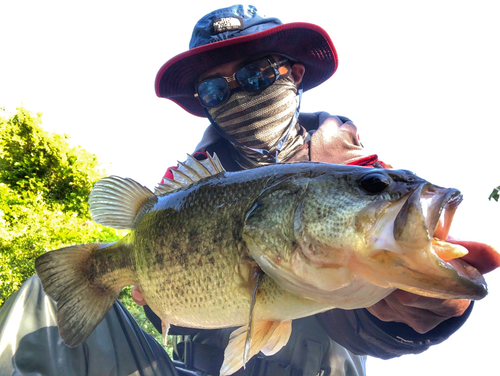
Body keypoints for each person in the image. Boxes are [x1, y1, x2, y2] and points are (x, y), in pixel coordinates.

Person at [0, 4, 498, 376]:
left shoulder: (365, 179)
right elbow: (177, 315)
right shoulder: (180, 194)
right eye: (215, 89)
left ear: (294, 75)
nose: (237, 93)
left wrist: (421, 312)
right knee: (44, 296)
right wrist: (161, 299)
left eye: (257, 73)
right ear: (204, 104)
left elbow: (371, 327)